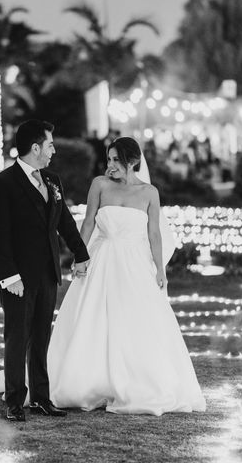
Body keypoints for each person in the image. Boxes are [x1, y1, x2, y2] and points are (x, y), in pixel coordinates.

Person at [47, 136, 206, 415]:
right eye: (108, 160)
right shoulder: (99, 185)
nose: (111, 165)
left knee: (134, 320)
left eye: (116, 160)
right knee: (92, 318)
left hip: (134, 266)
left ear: (132, 162)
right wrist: (79, 257)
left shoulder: (149, 193)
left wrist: (160, 269)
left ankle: (135, 382)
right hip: (100, 259)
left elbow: (154, 233)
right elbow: (87, 222)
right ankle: (87, 380)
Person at [0, 119, 90, 422]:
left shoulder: (53, 180)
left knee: (42, 338)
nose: (53, 150)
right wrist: (9, 276)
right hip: (17, 278)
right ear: (35, 148)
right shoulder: (2, 184)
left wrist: (81, 253)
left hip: (47, 274)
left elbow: (64, 222)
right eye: (50, 144)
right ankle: (15, 401)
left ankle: (42, 398)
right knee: (17, 338)